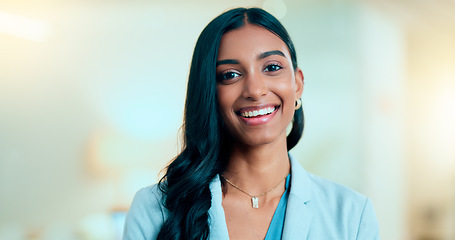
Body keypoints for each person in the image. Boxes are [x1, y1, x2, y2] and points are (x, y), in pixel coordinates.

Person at [123, 7, 380, 240]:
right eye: (230, 75)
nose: (255, 90)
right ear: (209, 93)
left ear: (297, 84)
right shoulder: (154, 208)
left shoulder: (352, 214)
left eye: (271, 67)